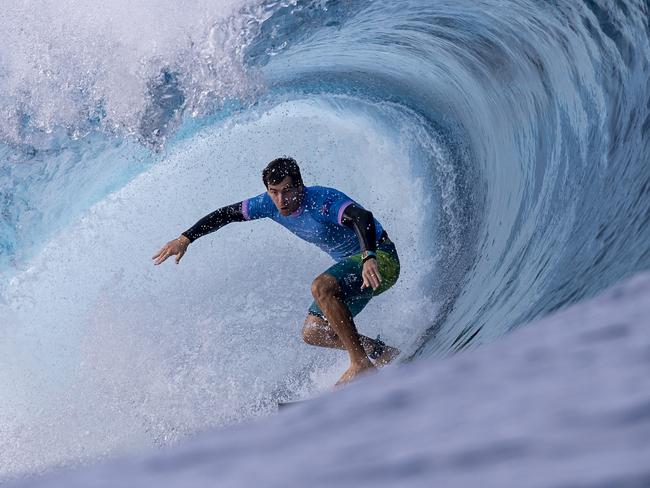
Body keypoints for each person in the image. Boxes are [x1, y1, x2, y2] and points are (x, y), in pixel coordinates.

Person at [152, 157, 400, 385]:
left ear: (300, 187)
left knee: (320, 287)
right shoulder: (268, 205)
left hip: (381, 261)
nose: (281, 200)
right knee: (313, 331)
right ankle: (381, 352)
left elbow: (362, 217)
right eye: (274, 193)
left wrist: (369, 257)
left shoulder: (322, 201)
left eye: (287, 191)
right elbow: (226, 214)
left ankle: (360, 364)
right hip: (353, 277)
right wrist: (186, 238)